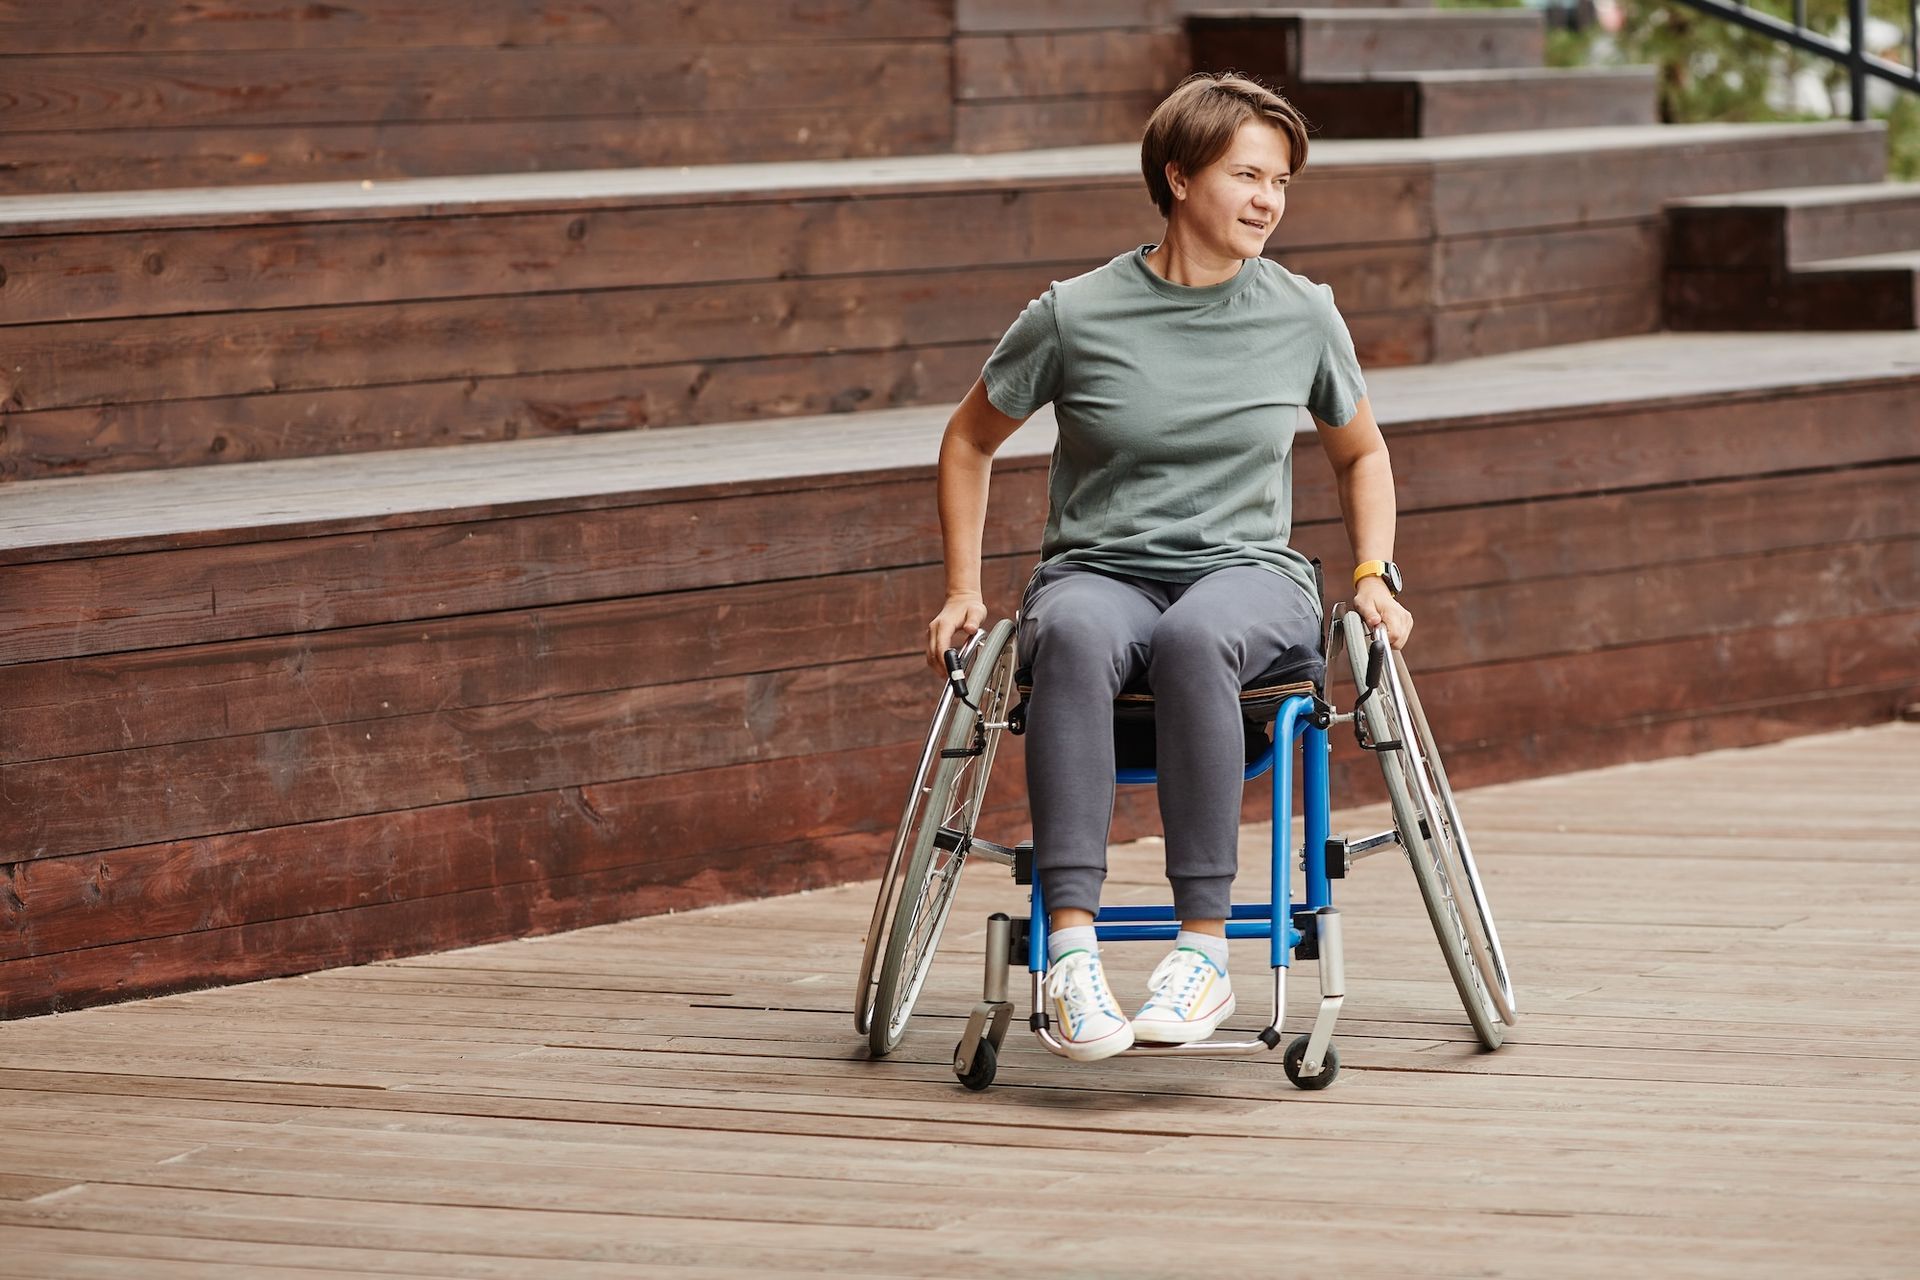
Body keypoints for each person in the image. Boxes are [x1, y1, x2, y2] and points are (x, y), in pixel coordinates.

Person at [925, 72, 1413, 1063]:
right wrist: (963, 589)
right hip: (1100, 570)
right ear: (1180, 177)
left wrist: (1373, 571)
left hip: (1249, 575)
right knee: (1069, 630)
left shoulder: (1303, 313)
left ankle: (1203, 952)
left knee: (1197, 635)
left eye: (1281, 182)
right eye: (1248, 176)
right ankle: (1070, 957)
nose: (1269, 201)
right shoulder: (1075, 314)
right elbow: (969, 439)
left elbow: (1361, 452)